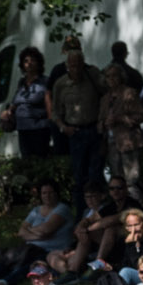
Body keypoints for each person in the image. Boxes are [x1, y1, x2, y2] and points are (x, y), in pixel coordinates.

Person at [50, 38, 105, 201]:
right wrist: (63, 127)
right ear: (67, 66)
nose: (76, 69)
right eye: (72, 65)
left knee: (96, 171)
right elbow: (55, 112)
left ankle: (97, 205)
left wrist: (102, 119)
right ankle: (81, 206)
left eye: (79, 65)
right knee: (79, 173)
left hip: (94, 129)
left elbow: (106, 95)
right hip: (75, 132)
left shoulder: (93, 74)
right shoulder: (61, 84)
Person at [0, 47, 54, 159]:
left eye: (32, 60)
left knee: (40, 159)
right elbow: (16, 101)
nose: (29, 63)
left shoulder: (45, 81)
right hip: (23, 128)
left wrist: (51, 124)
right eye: (26, 61)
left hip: (39, 128)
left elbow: (50, 105)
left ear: (38, 63)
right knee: (26, 159)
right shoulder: (21, 82)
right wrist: (8, 111)